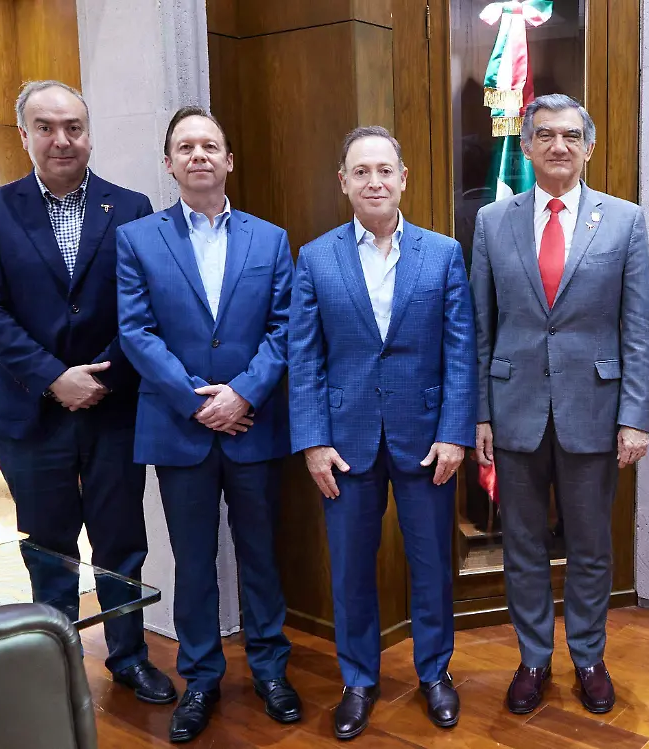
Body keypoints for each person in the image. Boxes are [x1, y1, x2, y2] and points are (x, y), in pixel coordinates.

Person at [0, 80, 174, 705]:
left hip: (113, 408)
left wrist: (99, 377)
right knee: (47, 547)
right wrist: (55, 377)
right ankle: (56, 664)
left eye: (74, 127)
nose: (62, 140)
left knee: (121, 542)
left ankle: (129, 657)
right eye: (47, 127)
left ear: (88, 133)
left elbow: (142, 308)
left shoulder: (131, 207)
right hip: (30, 409)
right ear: (24, 134)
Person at [116, 106, 300, 743]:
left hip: (254, 425)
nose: (198, 155)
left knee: (261, 556)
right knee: (192, 562)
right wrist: (198, 403)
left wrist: (243, 394)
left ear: (228, 161)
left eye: (209, 146)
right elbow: (136, 331)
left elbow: (285, 328)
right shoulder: (138, 239)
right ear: (169, 163)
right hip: (180, 428)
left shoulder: (270, 239)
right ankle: (200, 678)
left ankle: (271, 670)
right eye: (185, 147)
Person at [288, 126, 476, 740]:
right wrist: (313, 442)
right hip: (345, 444)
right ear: (343, 182)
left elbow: (460, 351)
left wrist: (454, 434)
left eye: (384, 170)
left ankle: (435, 673)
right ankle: (358, 680)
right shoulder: (315, 257)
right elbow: (305, 357)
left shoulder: (442, 253)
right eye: (361, 171)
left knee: (432, 565)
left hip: (426, 440)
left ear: (403, 179)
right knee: (349, 571)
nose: (374, 181)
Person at [470, 93, 649, 716]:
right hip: (514, 408)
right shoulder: (492, 221)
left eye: (571, 135)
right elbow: (481, 325)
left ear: (589, 147)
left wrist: (634, 417)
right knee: (521, 545)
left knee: (591, 546)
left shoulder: (624, 221)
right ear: (525, 145)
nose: (558, 145)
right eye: (545, 134)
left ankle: (589, 657)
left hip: (595, 412)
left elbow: (638, 328)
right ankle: (532, 659)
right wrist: (481, 413)